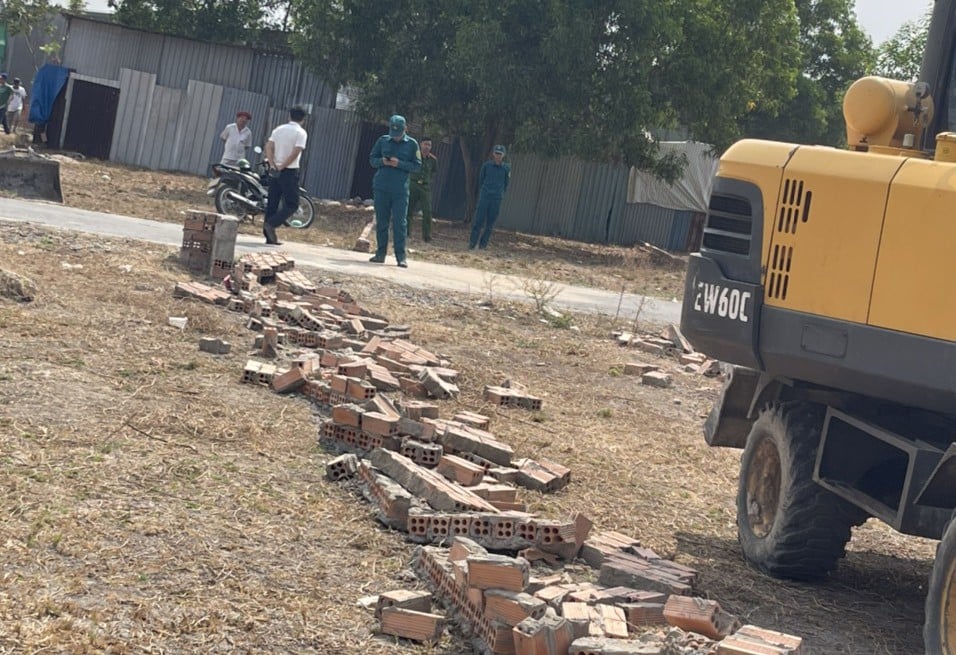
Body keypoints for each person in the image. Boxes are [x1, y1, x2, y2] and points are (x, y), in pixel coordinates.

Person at [368, 115, 421, 267]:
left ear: (405, 129)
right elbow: (372, 159)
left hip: (400, 190)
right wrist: (382, 162)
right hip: (381, 187)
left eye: (398, 134)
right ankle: (380, 253)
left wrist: (400, 164)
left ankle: (400, 257)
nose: (395, 137)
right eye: (393, 133)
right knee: (382, 221)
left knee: (400, 222)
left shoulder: (412, 144)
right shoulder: (383, 140)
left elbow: (417, 166)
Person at [262, 106, 308, 246]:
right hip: (289, 171)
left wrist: (272, 163)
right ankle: (271, 224)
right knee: (292, 204)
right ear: (303, 119)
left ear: (289, 116)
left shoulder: (279, 129)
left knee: (272, 202)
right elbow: (296, 152)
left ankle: (269, 237)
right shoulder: (301, 133)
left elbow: (268, 146)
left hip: (274, 169)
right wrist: (283, 166)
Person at [469, 144, 511, 250]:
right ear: (493, 154)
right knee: (478, 221)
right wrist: (485, 191)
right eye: (496, 153)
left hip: (496, 198)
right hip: (485, 196)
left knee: (490, 224)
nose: (498, 156)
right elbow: (481, 180)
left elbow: (506, 183)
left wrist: (500, 193)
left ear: (503, 155)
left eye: (500, 154)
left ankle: (483, 245)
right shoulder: (486, 166)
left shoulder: (506, 168)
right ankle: (472, 244)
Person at [406, 136, 438, 242]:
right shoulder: (414, 156)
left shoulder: (433, 160)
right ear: (421, 144)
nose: (427, 147)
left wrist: (427, 183)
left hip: (425, 187)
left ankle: (427, 236)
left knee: (427, 211)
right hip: (413, 184)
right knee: (409, 209)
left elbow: (433, 173)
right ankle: (406, 233)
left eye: (429, 145)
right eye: (425, 144)